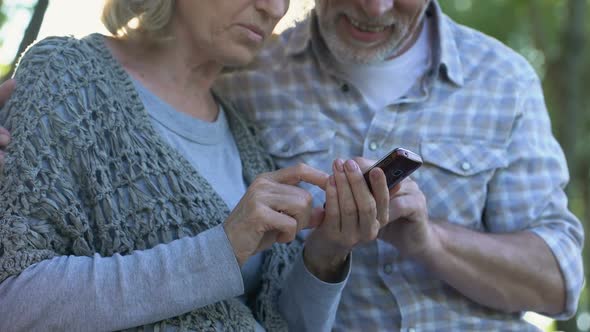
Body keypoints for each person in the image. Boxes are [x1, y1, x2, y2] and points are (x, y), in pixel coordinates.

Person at [0, 0, 395, 331]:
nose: (273, 7)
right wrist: (221, 250)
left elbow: (276, 322)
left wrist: (327, 253)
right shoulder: (66, 77)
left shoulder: (244, 136)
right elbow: (12, 297)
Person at [213, 0, 585, 330]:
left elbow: (558, 282)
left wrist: (429, 241)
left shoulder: (504, 80)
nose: (375, 8)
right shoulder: (246, 81)